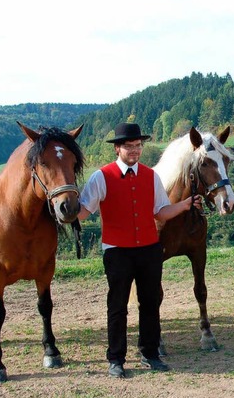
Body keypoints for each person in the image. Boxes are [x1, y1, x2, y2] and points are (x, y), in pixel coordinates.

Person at [78, 123, 202, 378]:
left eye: (138, 146)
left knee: (150, 304)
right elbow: (83, 211)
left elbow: (160, 212)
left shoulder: (151, 176)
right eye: (129, 146)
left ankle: (150, 353)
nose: (135, 151)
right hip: (117, 252)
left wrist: (185, 205)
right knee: (118, 306)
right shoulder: (101, 177)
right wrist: (62, 213)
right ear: (117, 149)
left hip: (149, 249)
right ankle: (116, 359)